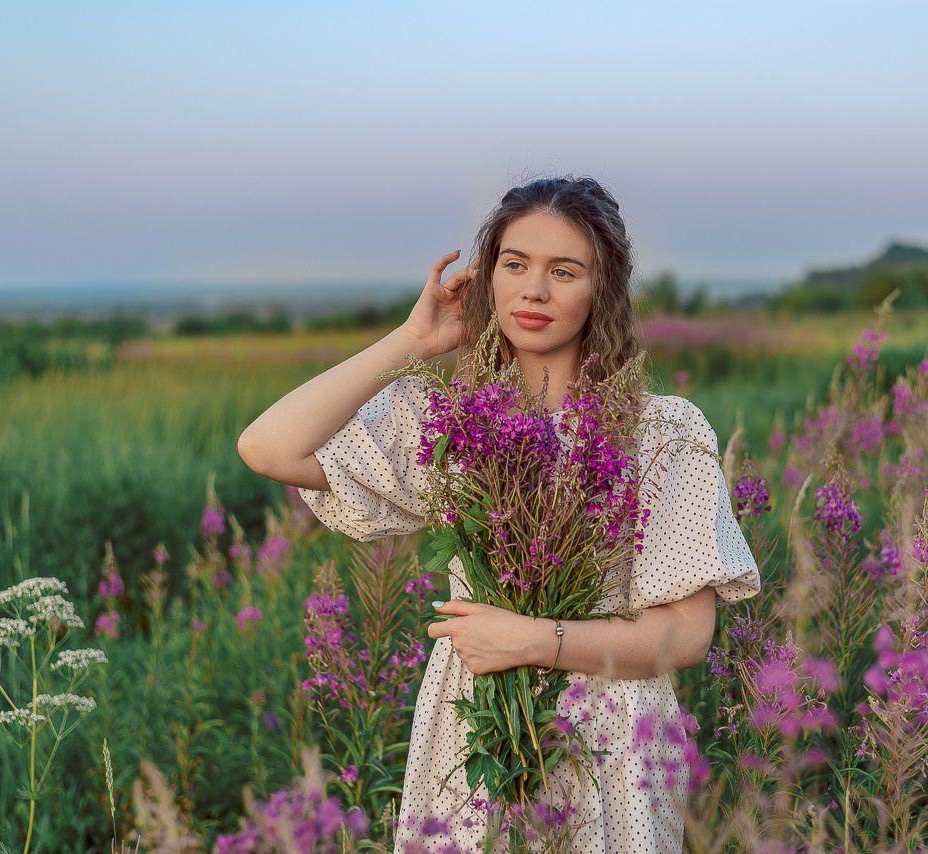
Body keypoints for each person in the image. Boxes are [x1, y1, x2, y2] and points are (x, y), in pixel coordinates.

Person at [238, 176, 759, 852]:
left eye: (563, 271)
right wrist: (413, 341)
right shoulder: (452, 424)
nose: (533, 290)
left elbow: (686, 636)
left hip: (610, 735)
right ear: (488, 278)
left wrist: (534, 640)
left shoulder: (661, 432)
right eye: (514, 264)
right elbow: (268, 446)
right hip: (478, 731)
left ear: (602, 289)